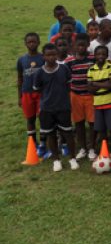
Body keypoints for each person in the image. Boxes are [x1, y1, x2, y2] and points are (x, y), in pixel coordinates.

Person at [33, 43, 78, 172]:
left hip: (63, 107)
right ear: (44, 56)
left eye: (54, 54)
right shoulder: (40, 73)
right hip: (47, 109)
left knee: (68, 133)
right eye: (48, 55)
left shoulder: (64, 69)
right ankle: (56, 160)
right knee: (50, 134)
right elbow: (37, 90)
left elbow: (69, 85)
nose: (51, 57)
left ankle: (72, 158)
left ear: (57, 55)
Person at [86, 45, 111, 163]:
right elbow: (90, 89)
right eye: (98, 54)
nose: (101, 56)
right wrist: (103, 84)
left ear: (107, 55)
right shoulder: (91, 69)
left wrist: (96, 84)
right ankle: (104, 150)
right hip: (98, 104)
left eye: (103, 54)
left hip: (110, 103)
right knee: (101, 129)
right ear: (94, 55)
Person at [64, 34, 95, 160]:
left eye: (83, 45)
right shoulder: (69, 61)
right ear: (74, 46)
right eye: (78, 45)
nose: (81, 48)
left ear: (88, 45)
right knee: (79, 123)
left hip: (90, 95)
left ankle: (92, 147)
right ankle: (83, 148)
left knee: (93, 123)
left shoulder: (93, 59)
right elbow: (66, 79)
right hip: (75, 95)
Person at [18, 32, 46, 157]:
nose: (31, 44)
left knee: (43, 118)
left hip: (41, 93)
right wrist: (19, 96)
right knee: (30, 119)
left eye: (34, 41)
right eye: (29, 42)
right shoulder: (22, 60)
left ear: (39, 42)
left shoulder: (43, 58)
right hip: (26, 93)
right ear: (25, 43)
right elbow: (19, 78)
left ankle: (43, 143)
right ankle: (33, 142)